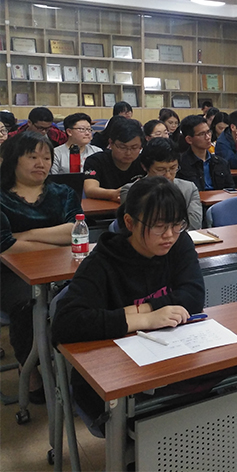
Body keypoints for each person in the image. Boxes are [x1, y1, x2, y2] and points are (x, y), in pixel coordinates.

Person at [52, 176, 204, 426]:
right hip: (113, 376)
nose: (169, 235)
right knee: (164, 424)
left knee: (219, 395)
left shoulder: (179, 243)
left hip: (166, 361)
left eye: (177, 224)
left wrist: (137, 311)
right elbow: (65, 323)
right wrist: (146, 319)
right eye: (159, 226)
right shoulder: (103, 262)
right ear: (130, 222)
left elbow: (194, 296)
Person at [1, 132, 82, 403]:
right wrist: (54, 240)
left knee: (87, 297)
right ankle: (29, 365)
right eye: (33, 157)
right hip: (9, 272)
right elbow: (5, 247)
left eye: (47, 158)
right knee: (29, 305)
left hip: (63, 266)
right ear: (14, 160)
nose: (41, 163)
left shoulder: (62, 192)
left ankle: (81, 365)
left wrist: (24, 235)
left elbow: (75, 231)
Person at [121, 138, 203, 230]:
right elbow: (137, 226)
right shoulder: (131, 191)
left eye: (173, 168)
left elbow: (194, 224)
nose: (168, 175)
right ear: (144, 167)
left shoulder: (189, 189)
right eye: (160, 170)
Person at [83, 118, 144, 201]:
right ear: (111, 143)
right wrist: (113, 194)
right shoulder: (96, 160)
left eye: (134, 147)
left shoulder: (144, 161)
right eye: (122, 147)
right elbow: (90, 190)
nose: (128, 153)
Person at [176, 115, 234, 192]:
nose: (208, 137)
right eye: (202, 134)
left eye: (208, 132)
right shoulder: (180, 164)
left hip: (219, 199)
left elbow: (231, 190)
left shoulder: (221, 163)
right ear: (189, 139)